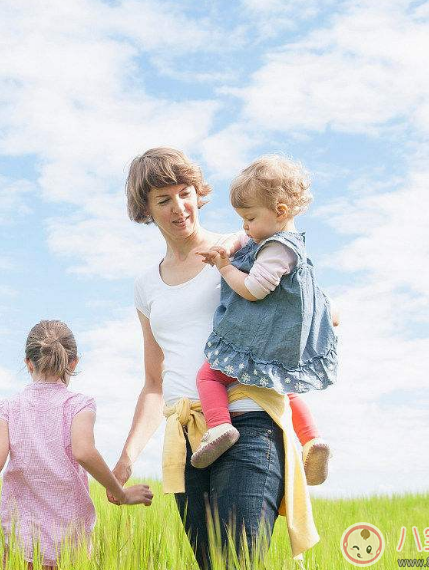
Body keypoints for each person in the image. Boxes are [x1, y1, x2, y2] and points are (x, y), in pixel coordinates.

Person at [112, 148, 318, 570]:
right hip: (188, 436)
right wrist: (127, 457)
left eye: (184, 192)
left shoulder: (240, 247)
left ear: (198, 193)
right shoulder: (145, 286)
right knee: (209, 564)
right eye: (163, 199)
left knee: (240, 561)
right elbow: (154, 383)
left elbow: (299, 295)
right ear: (145, 209)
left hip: (249, 422)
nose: (179, 207)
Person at [0, 320, 153, 569]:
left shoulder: (10, 408)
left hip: (21, 546)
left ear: (28, 362)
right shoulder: (78, 405)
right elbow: (84, 451)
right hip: (70, 546)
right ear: (73, 362)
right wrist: (120, 494)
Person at [190, 155, 337, 488]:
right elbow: (241, 240)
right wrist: (229, 245)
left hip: (258, 338)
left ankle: (219, 427)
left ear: (280, 211)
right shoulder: (284, 243)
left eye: (250, 217)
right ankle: (312, 439)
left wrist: (226, 269)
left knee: (209, 375)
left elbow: (254, 289)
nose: (245, 226)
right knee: (284, 387)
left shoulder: (274, 250)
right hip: (282, 346)